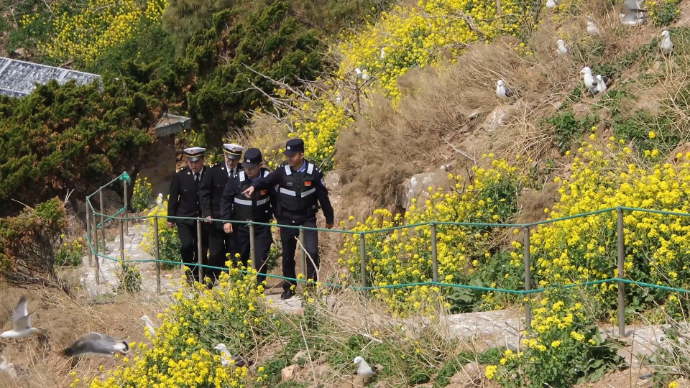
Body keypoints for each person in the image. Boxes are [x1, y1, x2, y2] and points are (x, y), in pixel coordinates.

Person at [241, 138, 334, 299]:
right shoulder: (282, 171)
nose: (288, 158)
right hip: (287, 218)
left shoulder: (313, 172)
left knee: (312, 252)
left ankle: (311, 288)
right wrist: (254, 186)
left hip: (307, 218)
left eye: (292, 155)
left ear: (301, 154)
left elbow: (323, 196)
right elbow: (267, 180)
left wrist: (329, 217)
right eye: (287, 155)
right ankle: (289, 287)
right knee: (287, 254)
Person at [220, 148, 275, 285]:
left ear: (260, 165)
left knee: (261, 258)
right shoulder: (237, 179)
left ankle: (258, 286)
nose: (248, 171)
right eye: (246, 167)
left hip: (261, 225)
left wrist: (278, 219)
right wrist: (226, 220)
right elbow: (226, 199)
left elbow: (276, 200)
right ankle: (239, 286)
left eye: (252, 168)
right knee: (239, 257)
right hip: (241, 226)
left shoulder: (268, 178)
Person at [200, 143, 244, 283]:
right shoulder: (214, 171)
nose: (231, 162)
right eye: (229, 159)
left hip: (236, 218)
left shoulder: (243, 171)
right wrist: (207, 213)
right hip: (216, 217)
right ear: (225, 155)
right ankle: (210, 277)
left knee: (234, 251)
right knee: (216, 250)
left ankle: (232, 279)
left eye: (235, 159)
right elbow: (205, 193)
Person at [167, 147, 209, 284]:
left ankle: (199, 274)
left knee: (201, 248)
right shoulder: (181, 176)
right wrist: (171, 218)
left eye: (196, 161)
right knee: (186, 245)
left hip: (202, 218)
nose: (193, 165)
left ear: (202, 160)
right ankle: (189, 270)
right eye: (190, 162)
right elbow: (173, 197)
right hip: (184, 217)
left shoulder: (209, 174)